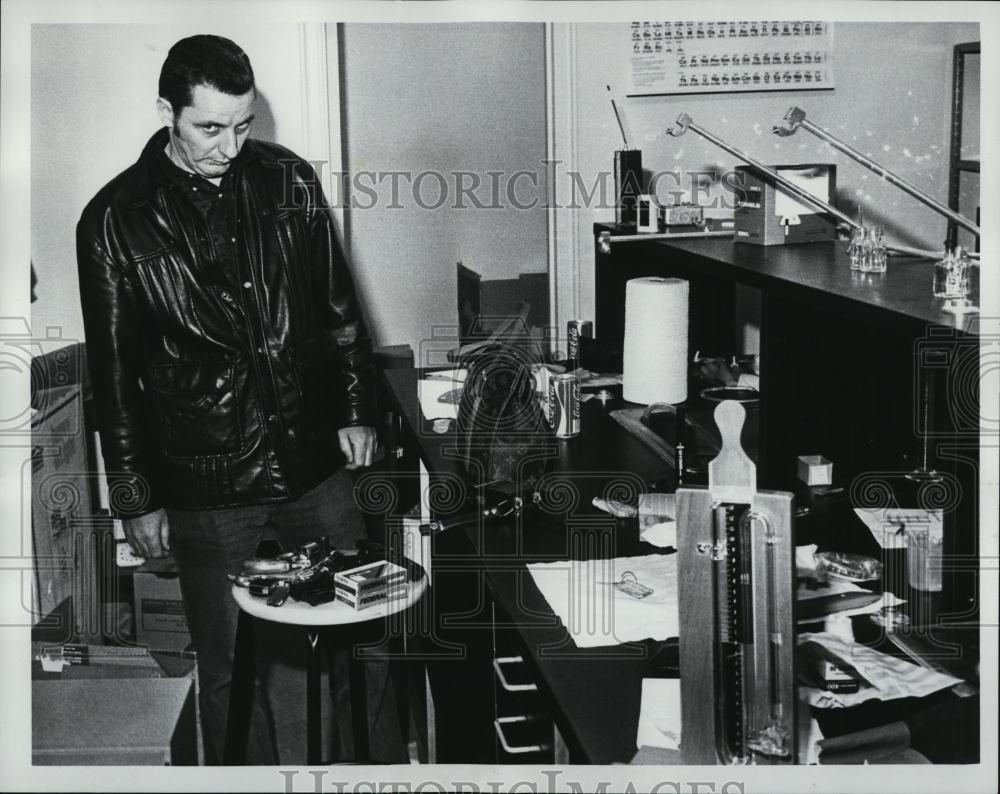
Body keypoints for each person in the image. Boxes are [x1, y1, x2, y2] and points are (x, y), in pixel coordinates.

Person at [77, 34, 405, 764]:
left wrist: (356, 409)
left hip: (312, 456)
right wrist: (136, 496)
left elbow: (340, 308)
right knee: (231, 667)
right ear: (167, 111)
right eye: (210, 127)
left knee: (362, 641)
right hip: (207, 476)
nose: (231, 145)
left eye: (244, 124)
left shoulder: (286, 178)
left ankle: (374, 774)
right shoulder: (113, 221)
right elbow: (114, 376)